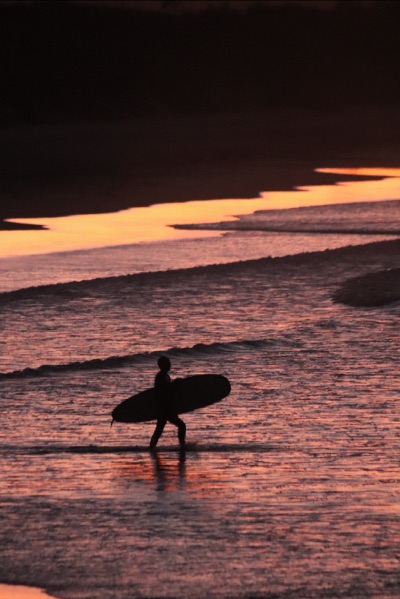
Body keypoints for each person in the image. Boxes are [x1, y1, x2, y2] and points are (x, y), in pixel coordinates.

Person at [149, 356, 186, 450]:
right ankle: (182, 446)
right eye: (168, 363)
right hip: (164, 408)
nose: (170, 364)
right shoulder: (160, 376)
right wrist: (175, 383)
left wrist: (175, 383)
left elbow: (169, 389)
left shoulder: (165, 376)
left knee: (159, 429)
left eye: (169, 362)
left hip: (166, 407)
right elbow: (165, 390)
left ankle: (152, 447)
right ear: (163, 365)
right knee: (181, 425)